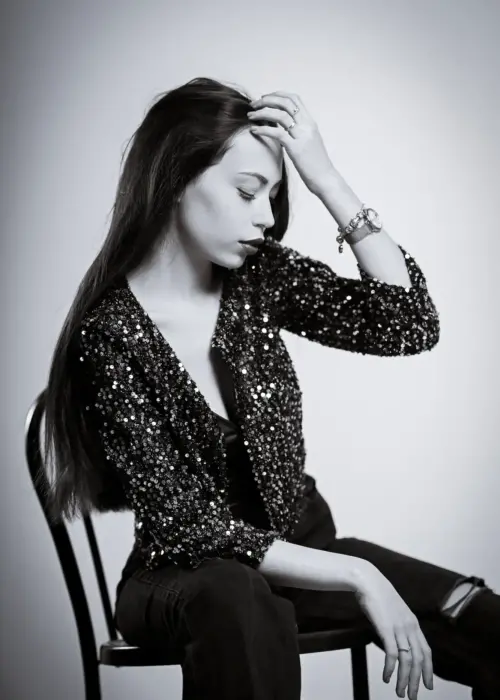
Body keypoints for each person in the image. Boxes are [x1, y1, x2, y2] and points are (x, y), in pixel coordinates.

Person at [41, 77, 500, 700]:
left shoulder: (257, 279)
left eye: (275, 195)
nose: (265, 216)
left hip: (303, 556)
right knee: (236, 597)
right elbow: (187, 526)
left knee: (479, 618)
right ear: (175, 180)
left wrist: (325, 177)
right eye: (246, 191)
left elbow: (407, 323)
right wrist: (357, 573)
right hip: (186, 576)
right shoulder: (109, 335)